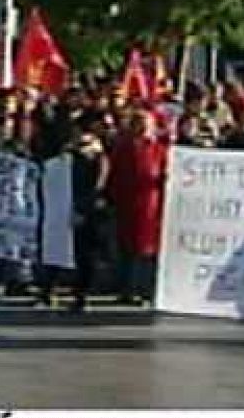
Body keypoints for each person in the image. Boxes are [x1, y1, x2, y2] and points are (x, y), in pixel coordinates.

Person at [108, 109, 167, 307]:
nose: (142, 128)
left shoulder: (160, 150)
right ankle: (126, 289)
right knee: (126, 249)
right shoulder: (122, 148)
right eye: (138, 123)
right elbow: (114, 174)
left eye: (146, 123)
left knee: (147, 252)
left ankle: (144, 290)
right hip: (126, 204)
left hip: (151, 206)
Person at [64, 121, 112, 313]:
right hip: (73, 209)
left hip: (89, 213)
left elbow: (97, 186)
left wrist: (82, 210)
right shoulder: (71, 157)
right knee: (76, 253)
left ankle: (82, 294)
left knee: (86, 255)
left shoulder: (99, 159)